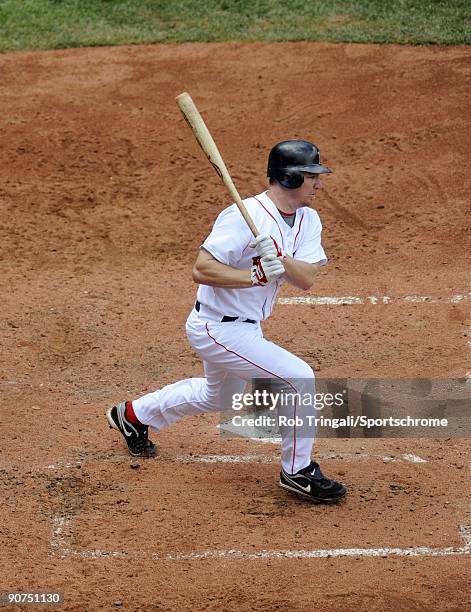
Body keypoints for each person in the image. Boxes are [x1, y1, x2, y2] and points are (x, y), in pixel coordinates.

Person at [107, 140, 347, 503]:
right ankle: (298, 472)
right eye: (312, 175)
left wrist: (279, 258)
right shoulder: (241, 215)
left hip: (246, 327)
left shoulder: (308, 219)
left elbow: (307, 277)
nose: (319, 183)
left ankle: (134, 415)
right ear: (290, 176)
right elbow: (201, 269)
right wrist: (252, 275)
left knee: (217, 396)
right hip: (216, 328)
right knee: (298, 378)